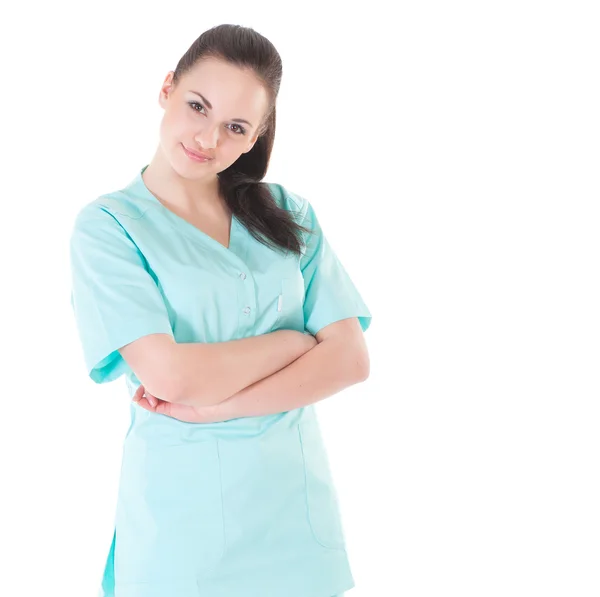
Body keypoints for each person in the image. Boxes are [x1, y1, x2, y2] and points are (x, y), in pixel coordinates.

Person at [69, 23, 372, 597]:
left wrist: (214, 410)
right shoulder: (109, 228)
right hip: (181, 532)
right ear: (166, 88)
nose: (208, 139)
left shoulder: (288, 214)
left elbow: (350, 360)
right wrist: (292, 345)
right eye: (197, 106)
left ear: (256, 135)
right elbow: (171, 377)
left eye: (235, 127)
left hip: (295, 524)